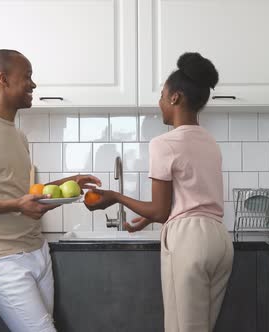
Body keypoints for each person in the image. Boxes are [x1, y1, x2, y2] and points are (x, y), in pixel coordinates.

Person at [0, 49, 100, 332]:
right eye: (27, 76)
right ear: (3, 79)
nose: (33, 85)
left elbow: (18, 193)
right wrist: (17, 204)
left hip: (37, 252)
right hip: (4, 261)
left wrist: (67, 182)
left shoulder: (18, 135)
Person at [85, 52, 233, 331]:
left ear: (175, 97)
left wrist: (115, 196)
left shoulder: (164, 143)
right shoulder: (209, 141)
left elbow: (161, 210)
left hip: (189, 241)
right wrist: (149, 219)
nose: (160, 102)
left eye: (162, 94)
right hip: (220, 240)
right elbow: (190, 198)